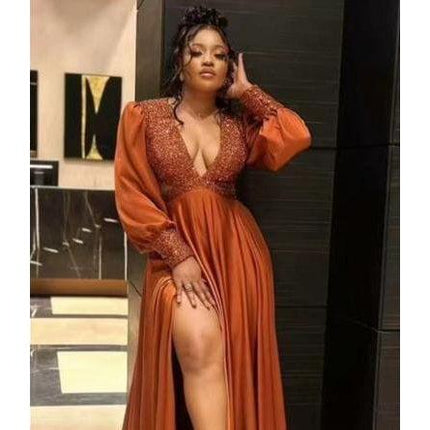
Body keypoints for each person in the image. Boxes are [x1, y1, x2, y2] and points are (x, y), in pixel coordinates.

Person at [114, 5, 311, 430]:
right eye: (197, 51)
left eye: (219, 55)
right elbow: (132, 195)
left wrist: (249, 93)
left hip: (236, 257)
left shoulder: (240, 126)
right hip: (175, 255)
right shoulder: (144, 117)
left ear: (228, 68)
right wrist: (177, 254)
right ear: (180, 60)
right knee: (201, 343)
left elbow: (296, 135)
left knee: (227, 363)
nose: (208, 60)